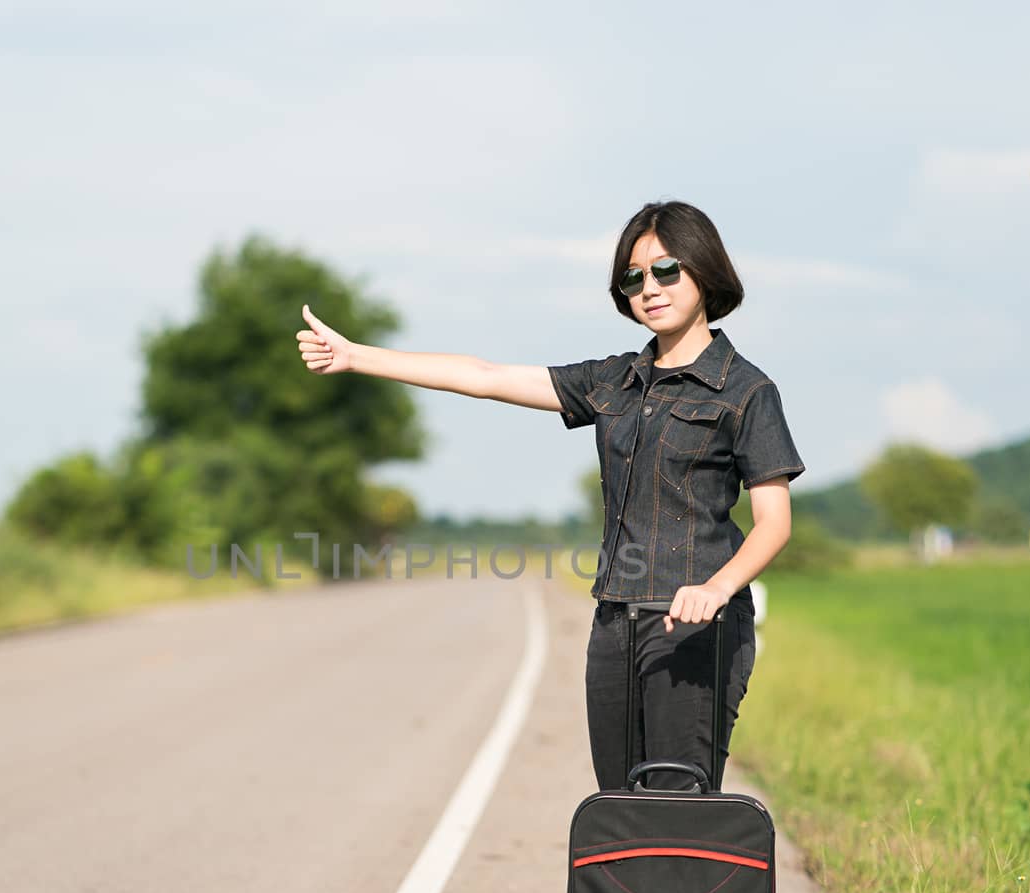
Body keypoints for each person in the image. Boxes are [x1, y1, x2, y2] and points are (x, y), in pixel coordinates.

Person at [295, 200, 805, 793]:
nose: (650, 287)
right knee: (617, 807)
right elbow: (484, 376)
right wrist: (356, 357)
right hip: (616, 619)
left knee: (677, 807)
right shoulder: (612, 381)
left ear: (704, 270)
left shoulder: (746, 391)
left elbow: (774, 521)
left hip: (696, 627)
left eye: (666, 270)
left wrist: (717, 589)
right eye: (633, 277)